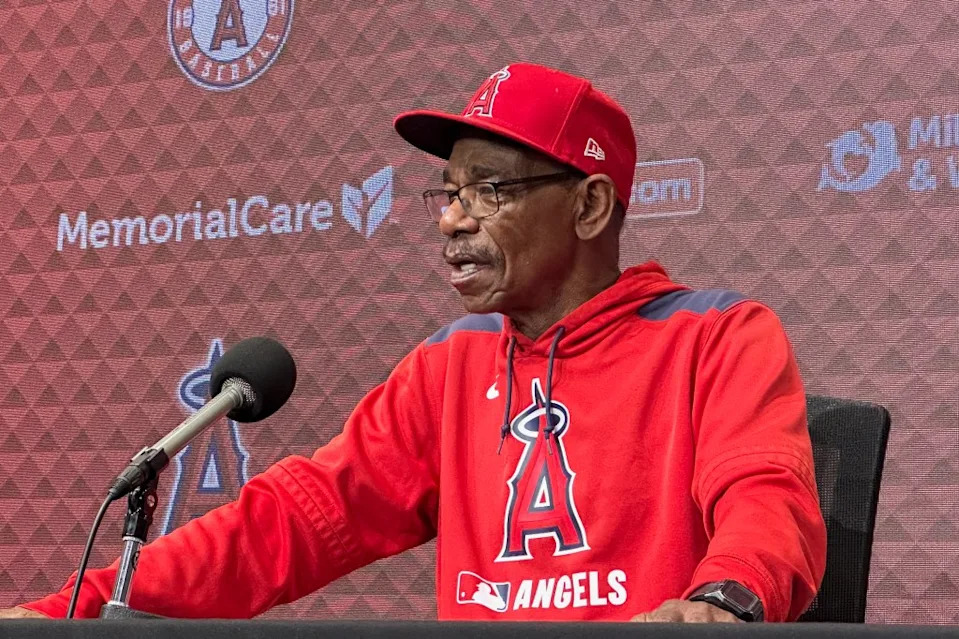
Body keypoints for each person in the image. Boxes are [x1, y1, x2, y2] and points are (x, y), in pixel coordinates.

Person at [1, 62, 826, 623]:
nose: (452, 216)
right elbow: (288, 522)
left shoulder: (716, 335)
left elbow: (766, 497)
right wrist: (64, 614)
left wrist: (723, 600)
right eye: (449, 190)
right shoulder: (451, 363)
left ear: (589, 207)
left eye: (491, 188)